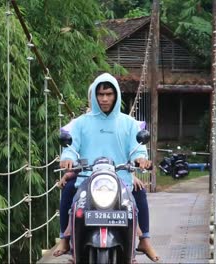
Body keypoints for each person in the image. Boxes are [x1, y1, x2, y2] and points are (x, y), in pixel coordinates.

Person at [53, 73, 159, 262]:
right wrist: (67, 159)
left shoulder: (129, 124)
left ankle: (145, 239)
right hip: (86, 178)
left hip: (120, 179)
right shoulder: (81, 123)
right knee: (69, 191)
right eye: (100, 94)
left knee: (139, 193)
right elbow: (70, 145)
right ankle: (65, 239)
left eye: (109, 94)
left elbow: (137, 149)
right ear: (94, 95)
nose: (104, 99)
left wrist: (141, 159)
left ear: (116, 95)